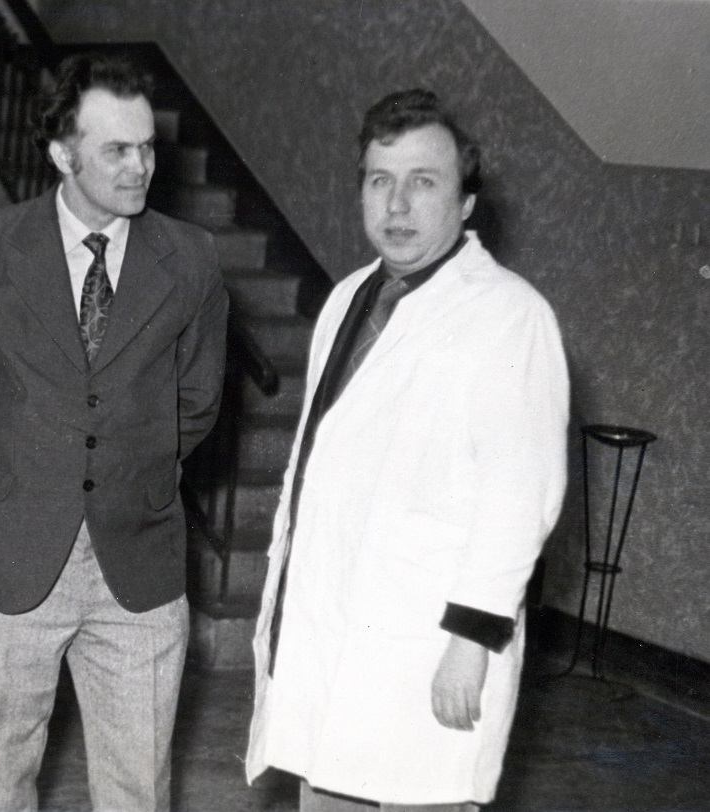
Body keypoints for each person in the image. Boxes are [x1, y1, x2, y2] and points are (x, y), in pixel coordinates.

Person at [0, 52, 228, 812]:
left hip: (138, 566)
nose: (139, 167)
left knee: (137, 788)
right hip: (5, 560)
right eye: (116, 149)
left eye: (146, 147)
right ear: (62, 153)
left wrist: (131, 474)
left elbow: (197, 402)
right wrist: (7, 479)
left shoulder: (190, 259)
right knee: (1, 785)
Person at [245, 88, 569, 811]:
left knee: (419, 789)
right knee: (325, 786)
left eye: (422, 182)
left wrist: (471, 640)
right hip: (335, 635)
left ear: (465, 202)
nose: (396, 205)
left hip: (429, 649)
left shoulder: (509, 315)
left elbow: (521, 497)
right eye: (378, 180)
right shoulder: (348, 298)